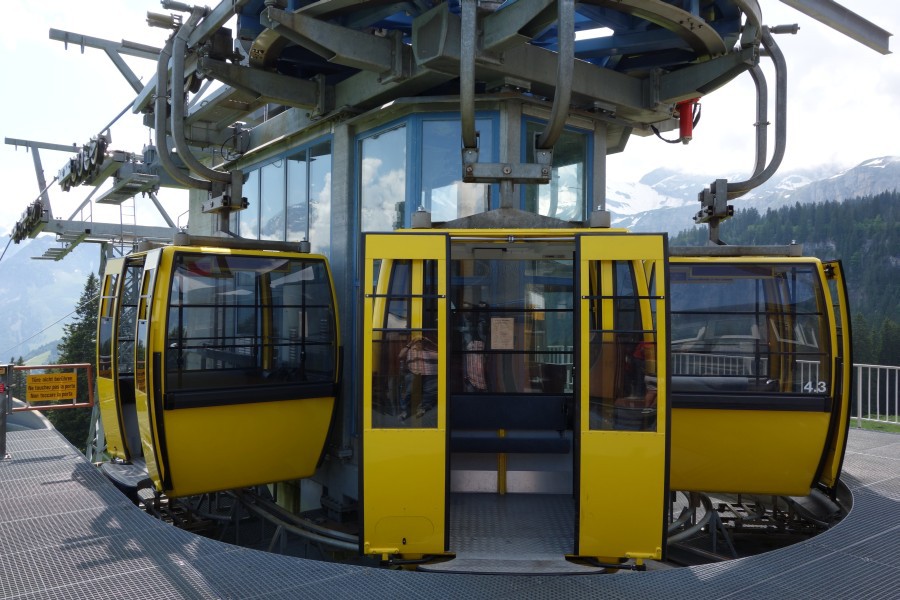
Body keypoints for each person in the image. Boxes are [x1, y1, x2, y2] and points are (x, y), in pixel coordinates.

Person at [398, 336, 438, 420]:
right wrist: (410, 343)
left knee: (430, 392)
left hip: (430, 372)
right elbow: (400, 355)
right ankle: (404, 411)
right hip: (412, 372)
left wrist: (429, 342)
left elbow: (442, 354)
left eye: (421, 340)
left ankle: (422, 408)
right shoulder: (410, 349)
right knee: (408, 392)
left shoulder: (430, 347)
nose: (420, 341)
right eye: (418, 340)